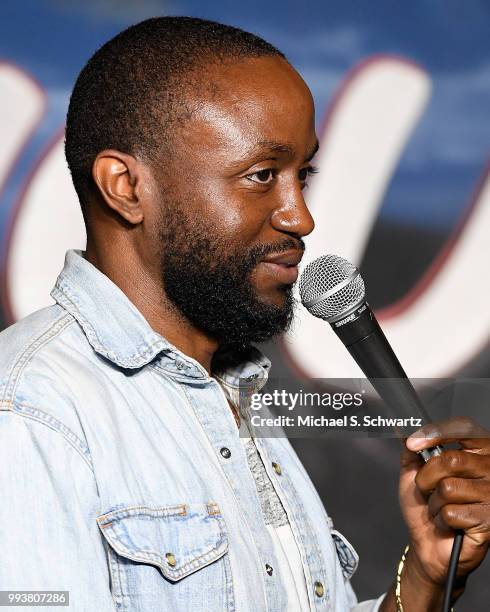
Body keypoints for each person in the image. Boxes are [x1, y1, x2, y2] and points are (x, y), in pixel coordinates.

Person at [0, 16, 489, 612]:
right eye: (262, 175)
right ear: (125, 186)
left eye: (302, 175)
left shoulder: (233, 388)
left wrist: (422, 582)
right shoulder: (31, 411)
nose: (301, 217)